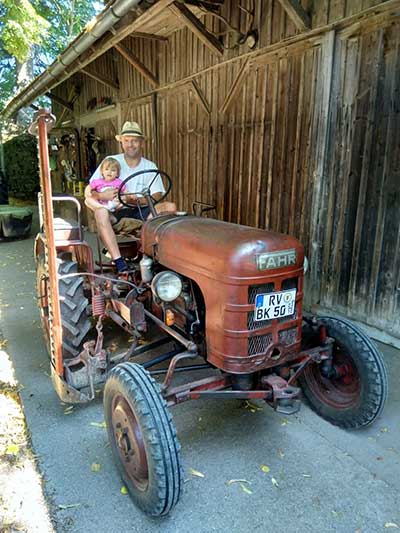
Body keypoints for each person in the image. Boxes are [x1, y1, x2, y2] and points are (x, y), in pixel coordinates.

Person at [85, 121, 175, 273]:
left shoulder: (150, 166)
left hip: (140, 209)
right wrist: (102, 195)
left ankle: (149, 253)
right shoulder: (111, 161)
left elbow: (157, 195)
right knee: (100, 212)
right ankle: (119, 261)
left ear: (141, 143)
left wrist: (133, 199)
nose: (130, 144)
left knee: (170, 207)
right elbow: (89, 190)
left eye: (134, 140)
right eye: (126, 140)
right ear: (121, 142)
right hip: (115, 210)